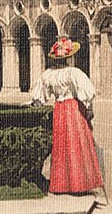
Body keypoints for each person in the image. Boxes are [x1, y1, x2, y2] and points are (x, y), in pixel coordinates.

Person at [33, 37, 104, 197]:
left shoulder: (48, 74)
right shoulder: (73, 72)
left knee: (61, 145)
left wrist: (37, 103)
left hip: (59, 109)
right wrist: (89, 109)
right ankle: (79, 183)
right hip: (73, 109)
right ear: (68, 57)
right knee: (77, 144)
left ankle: (61, 184)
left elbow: (39, 96)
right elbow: (87, 92)